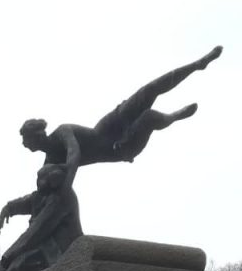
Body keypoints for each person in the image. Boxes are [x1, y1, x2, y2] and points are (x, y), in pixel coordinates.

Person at [16, 45, 222, 189]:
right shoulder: (50, 163)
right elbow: (43, 194)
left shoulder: (62, 132)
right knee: (149, 117)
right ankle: (174, 116)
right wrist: (14, 207)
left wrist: (67, 179)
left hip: (107, 126)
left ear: (37, 136)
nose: (25, 145)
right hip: (119, 149)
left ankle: (198, 64)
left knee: (149, 90)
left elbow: (74, 154)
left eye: (26, 140)